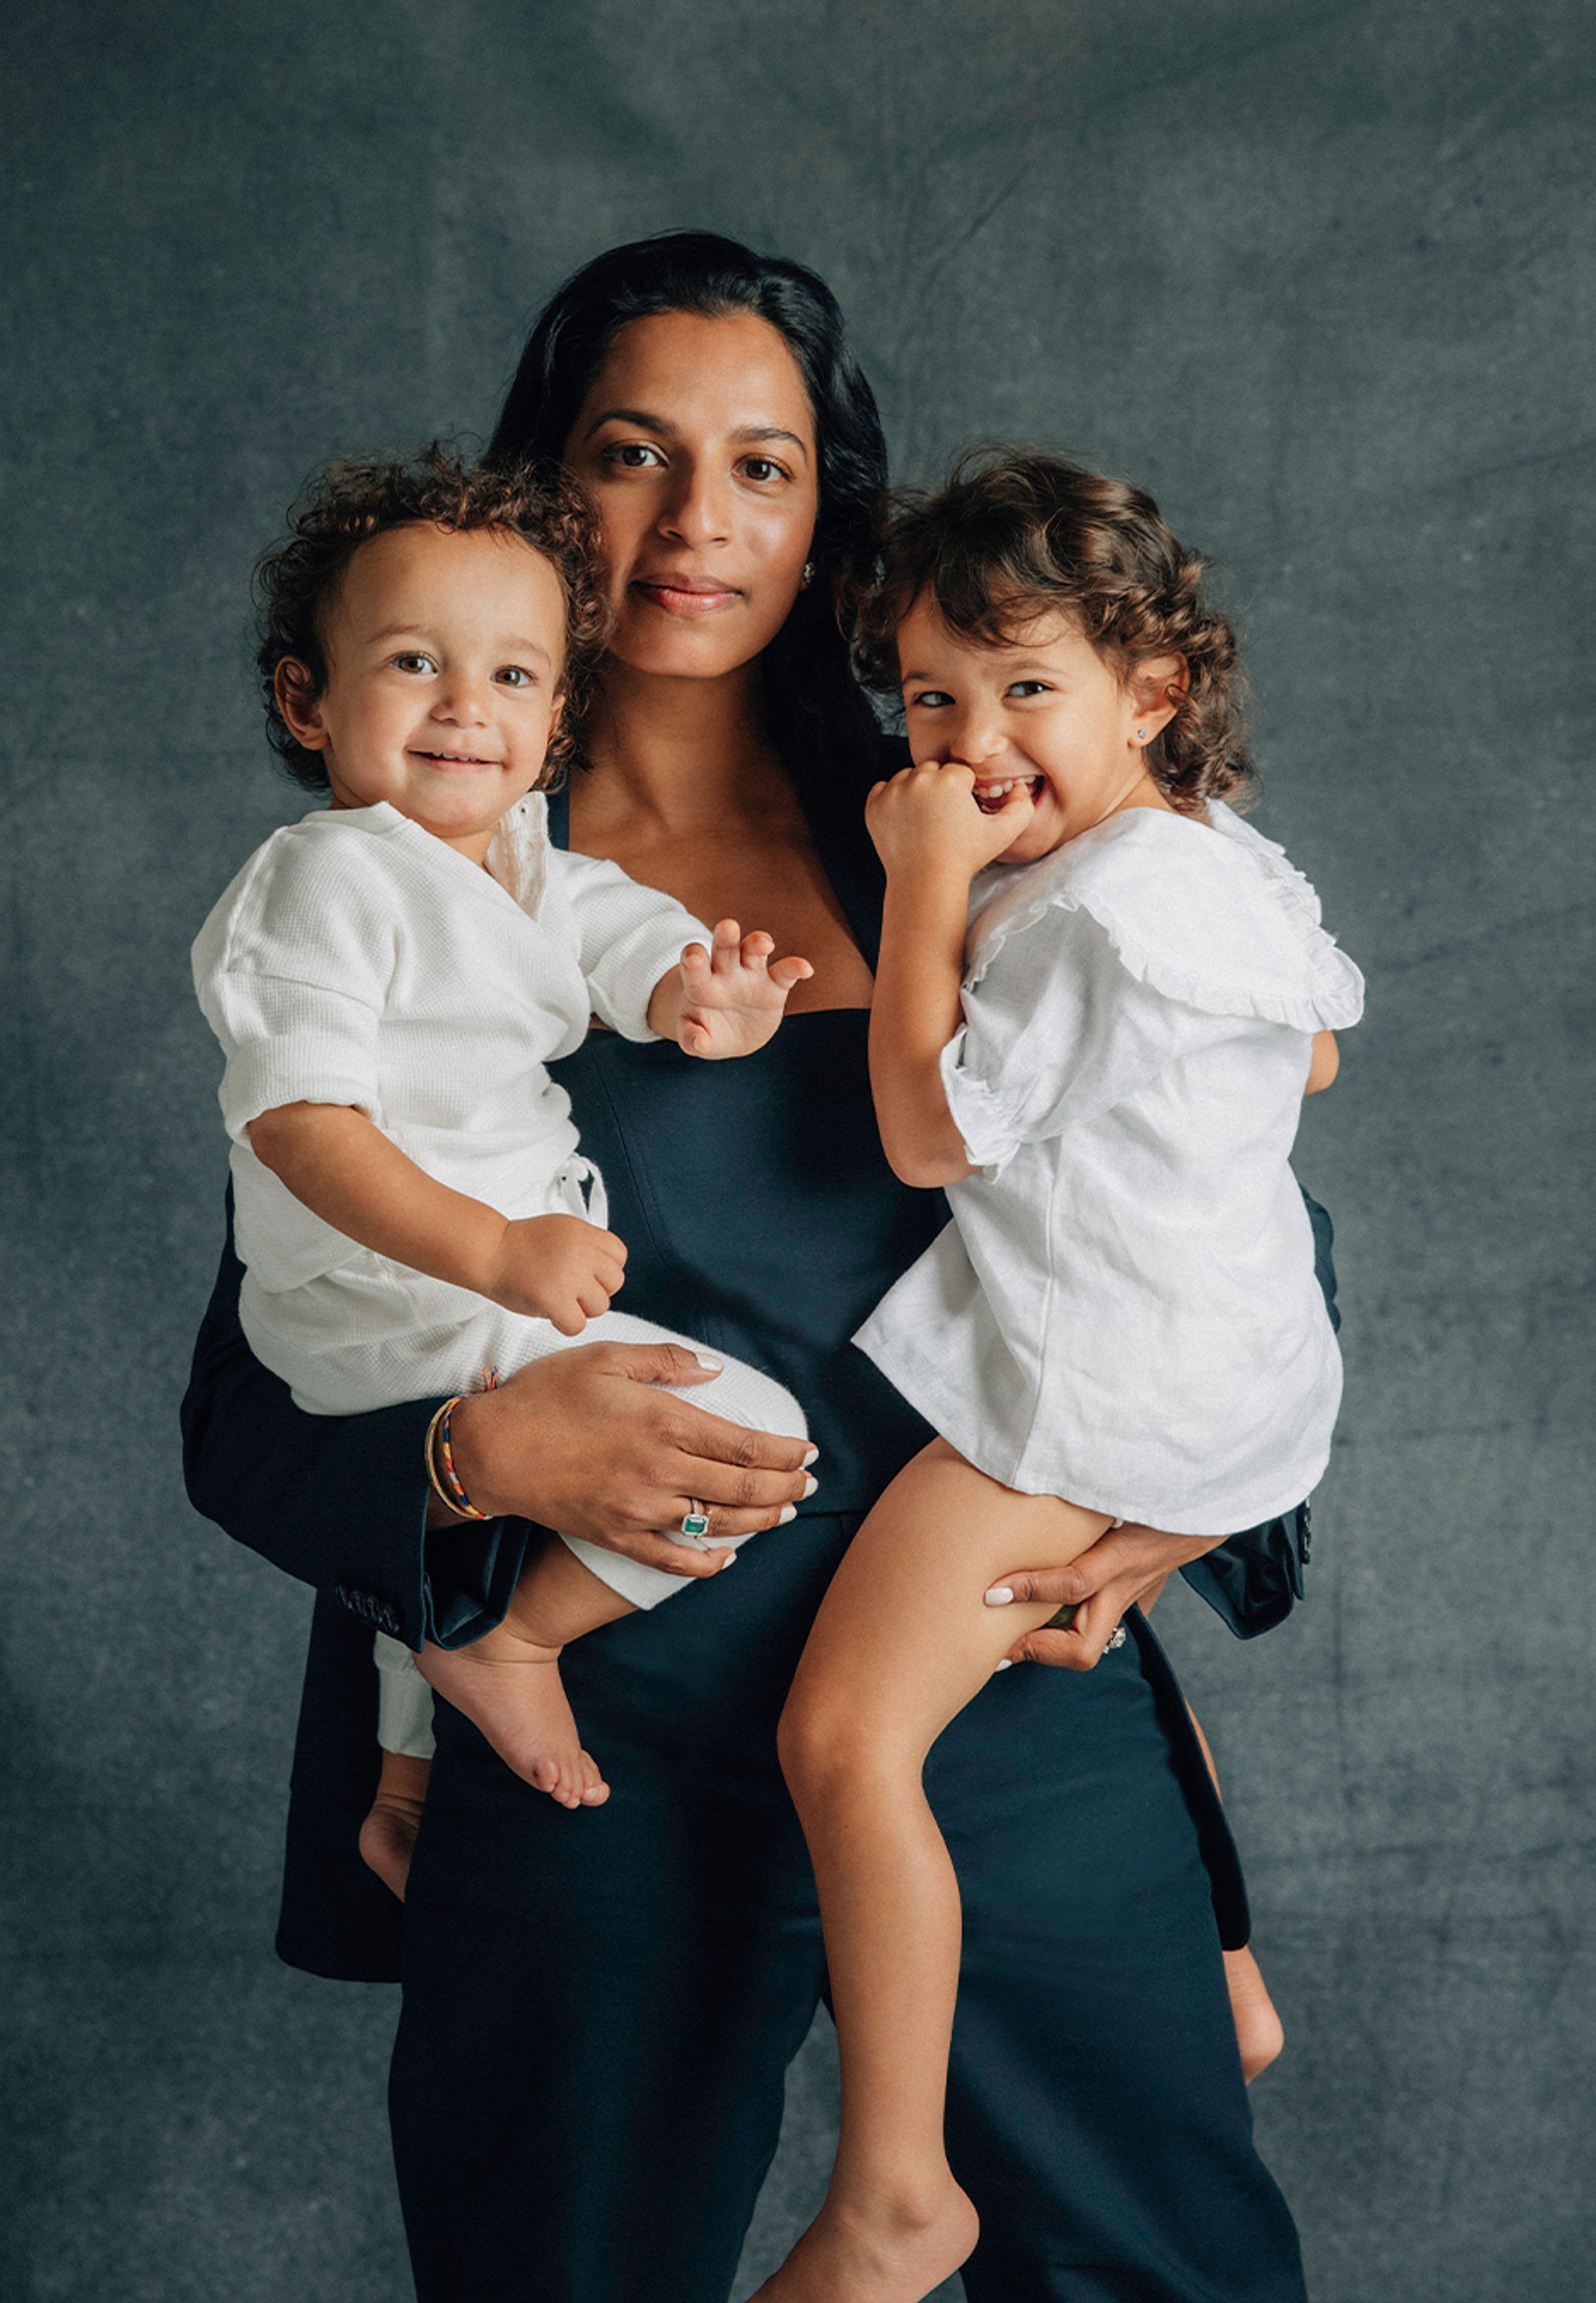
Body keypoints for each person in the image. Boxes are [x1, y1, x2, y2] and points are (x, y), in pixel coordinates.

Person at [181, 231, 1320, 2302]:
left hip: (992, 1706)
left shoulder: (984, 831)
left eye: (764, 469)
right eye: (630, 453)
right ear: (547, 496)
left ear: (833, 527)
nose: (697, 520)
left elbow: (1226, 1224)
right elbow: (255, 1402)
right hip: (603, 1742)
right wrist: (470, 1473)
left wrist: (1175, 1527)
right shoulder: (417, 891)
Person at [755, 450, 1362, 2302]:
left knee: (845, 1739)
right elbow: (1314, 1060)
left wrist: (925, 882)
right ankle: (1219, 1981)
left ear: (1148, 693)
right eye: (930, 697)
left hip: (1104, 1376)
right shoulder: (1196, 861)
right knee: (1064, 1660)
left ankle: (895, 2191)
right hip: (1230, 1367)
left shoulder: (1082, 909)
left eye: (1026, 690)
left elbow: (929, 1136)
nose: (969, 738)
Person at [191, 449, 811, 1881]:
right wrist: (494, 1251)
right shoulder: (328, 877)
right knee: (749, 1431)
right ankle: (513, 1639)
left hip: (468, 1288)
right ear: (307, 699)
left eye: (516, 677)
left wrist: (697, 997)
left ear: (555, 712)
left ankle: (406, 1777)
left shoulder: (521, 858)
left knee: (540, 1496)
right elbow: (298, 1125)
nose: (470, 706)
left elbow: (622, 932)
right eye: (415, 662)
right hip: (391, 1288)